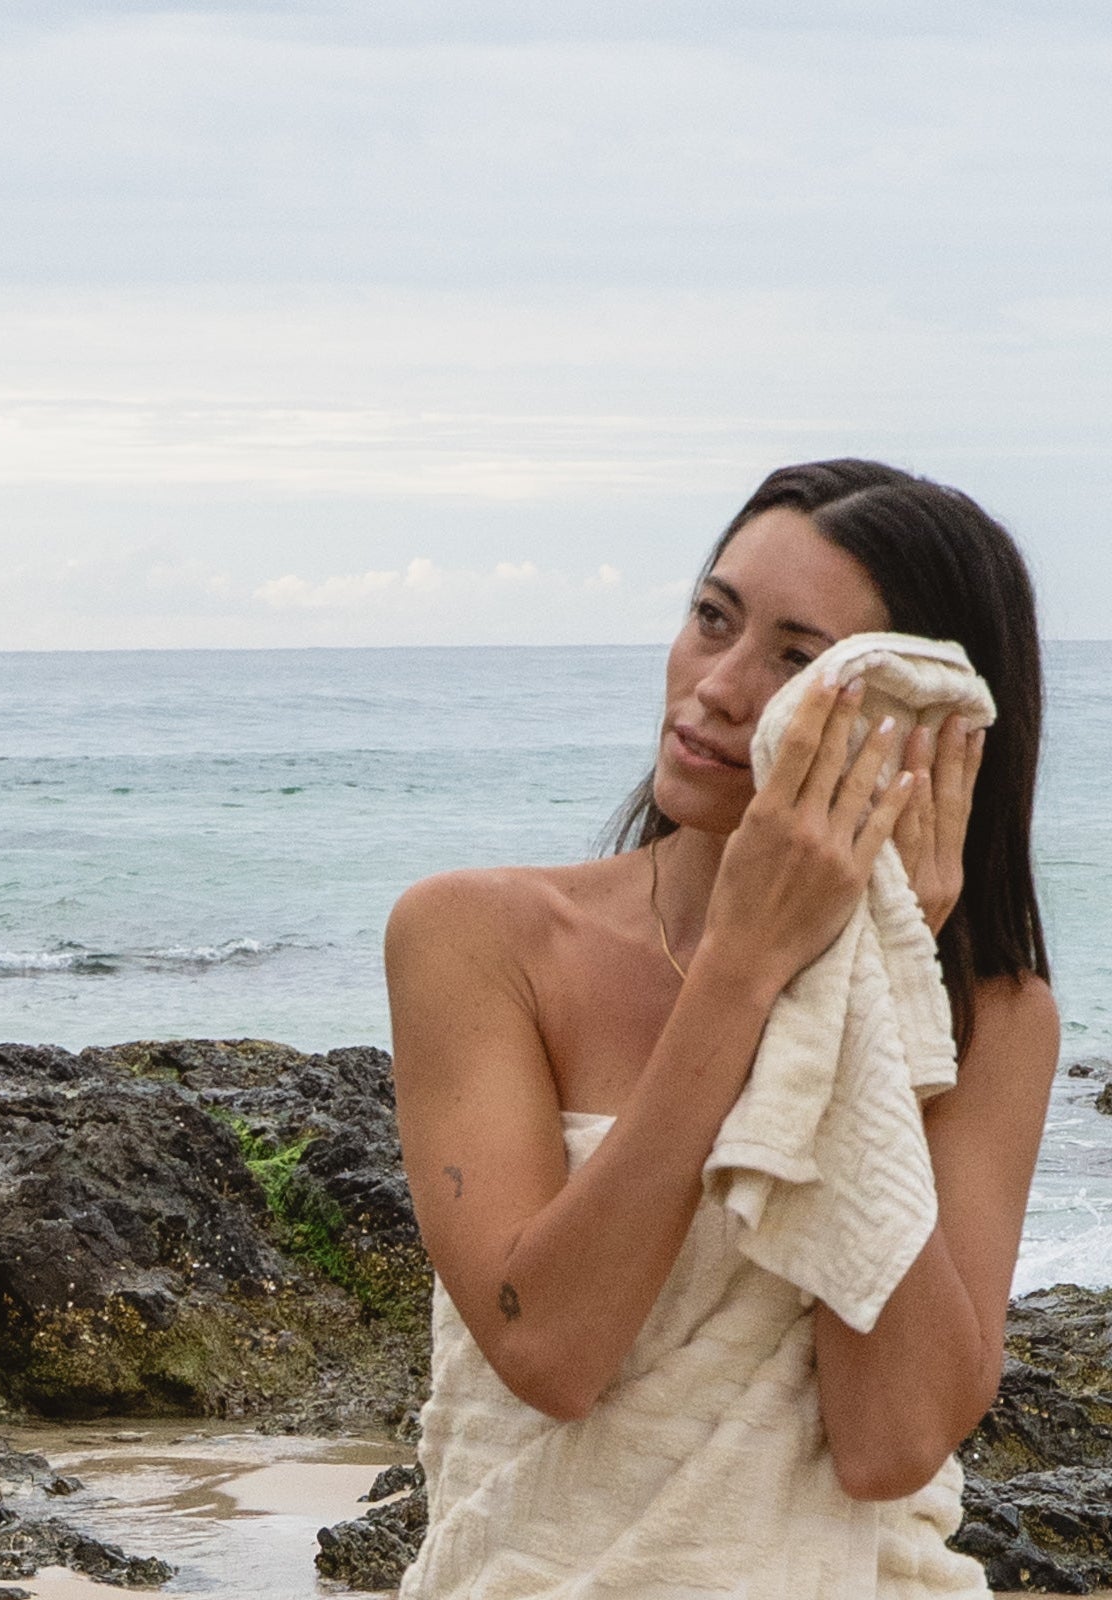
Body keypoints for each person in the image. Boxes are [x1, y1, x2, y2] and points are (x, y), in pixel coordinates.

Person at [385, 459, 1059, 1596]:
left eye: (798, 663)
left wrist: (873, 983)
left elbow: (889, 1437)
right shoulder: (477, 938)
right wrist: (742, 970)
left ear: (919, 723)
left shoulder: (995, 1017)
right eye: (712, 618)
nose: (718, 688)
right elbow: (552, 1349)